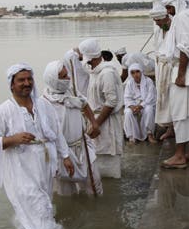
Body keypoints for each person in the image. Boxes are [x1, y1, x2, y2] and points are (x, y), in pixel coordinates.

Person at [0, 63, 74, 229]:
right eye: (21, 80)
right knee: (36, 204)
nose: (26, 83)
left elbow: (56, 133)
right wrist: (13, 139)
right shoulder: (3, 111)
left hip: (45, 166)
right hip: (20, 171)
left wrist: (65, 156)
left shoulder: (43, 106)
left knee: (43, 201)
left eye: (29, 79)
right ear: (12, 84)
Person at [42, 60, 103, 196]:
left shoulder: (71, 91)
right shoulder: (45, 104)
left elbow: (84, 104)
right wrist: (64, 156)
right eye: (63, 77)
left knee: (94, 183)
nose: (68, 78)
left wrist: (94, 123)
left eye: (67, 75)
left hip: (82, 146)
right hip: (62, 154)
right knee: (66, 192)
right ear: (54, 80)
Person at [160, 3, 189, 169]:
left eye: (168, 7)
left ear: (174, 5)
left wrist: (180, 74)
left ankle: (180, 155)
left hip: (187, 68)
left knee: (181, 112)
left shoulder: (182, 17)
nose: (167, 11)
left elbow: (185, 46)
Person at [79, 38, 125, 179]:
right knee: (96, 156)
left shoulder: (107, 73)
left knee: (108, 157)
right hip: (95, 119)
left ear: (90, 58)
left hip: (105, 121)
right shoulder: (94, 72)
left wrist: (96, 123)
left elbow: (111, 101)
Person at [150, 3, 176, 141]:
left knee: (173, 98)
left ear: (165, 17)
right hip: (160, 67)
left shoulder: (175, 28)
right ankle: (169, 128)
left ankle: (175, 128)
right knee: (163, 98)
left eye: (159, 21)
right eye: (155, 21)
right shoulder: (158, 30)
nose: (157, 24)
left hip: (171, 68)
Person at [123, 63, 157, 144]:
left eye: (137, 72)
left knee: (149, 109)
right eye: (133, 72)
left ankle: (149, 134)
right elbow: (127, 97)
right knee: (127, 112)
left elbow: (151, 97)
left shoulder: (148, 81)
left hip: (146, 104)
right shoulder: (129, 83)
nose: (135, 75)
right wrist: (132, 106)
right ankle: (132, 137)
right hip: (133, 105)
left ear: (141, 71)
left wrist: (141, 106)